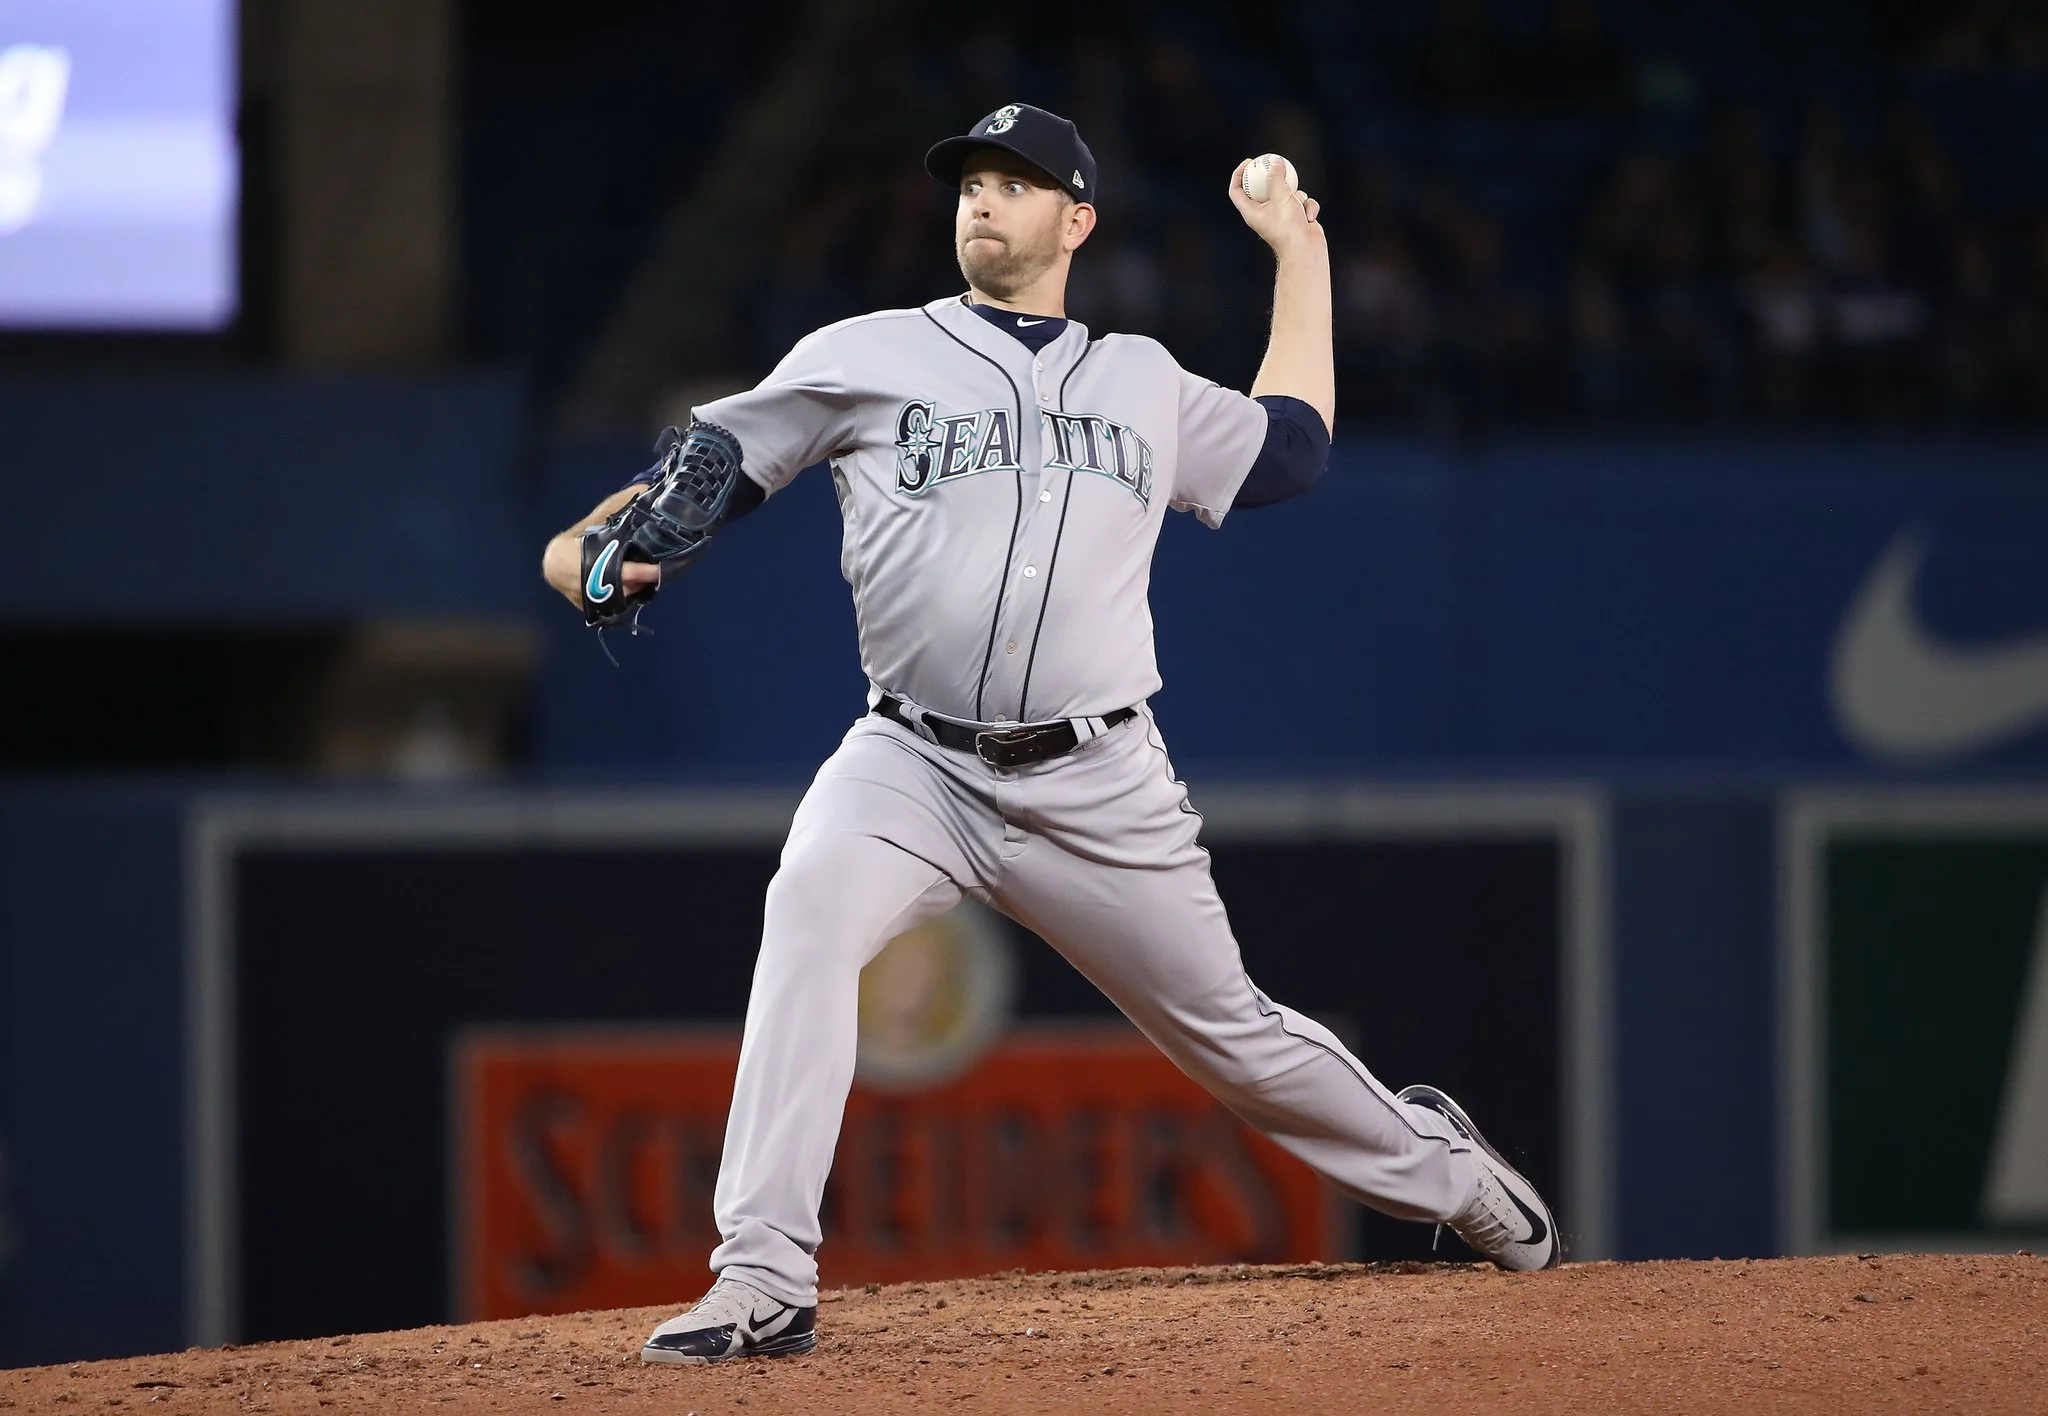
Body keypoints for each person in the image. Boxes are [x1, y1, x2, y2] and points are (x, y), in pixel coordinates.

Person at [540, 103, 1560, 1366]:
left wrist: (1298, 252)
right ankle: (761, 1276)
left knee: (1234, 1041)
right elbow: (702, 470)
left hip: (1096, 775)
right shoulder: (863, 353)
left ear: (1076, 221)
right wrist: (593, 550)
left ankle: (1450, 1174)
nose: (983, 198)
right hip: (909, 763)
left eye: (1015, 183)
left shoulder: (1140, 377)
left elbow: (1290, 451)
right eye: (971, 180)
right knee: (805, 913)